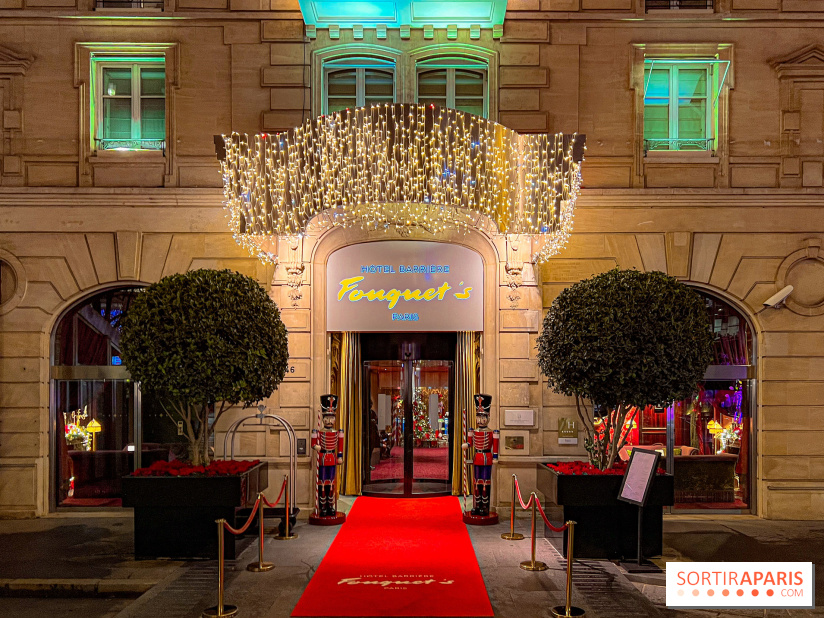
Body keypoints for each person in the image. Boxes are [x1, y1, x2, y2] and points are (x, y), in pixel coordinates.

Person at [463, 394, 499, 517]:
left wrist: (495, 457)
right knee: (476, 482)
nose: (480, 419)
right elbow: (470, 443)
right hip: (477, 458)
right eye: (478, 416)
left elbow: (495, 446)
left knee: (486, 482)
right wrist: (466, 445)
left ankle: (485, 506)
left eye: (483, 416)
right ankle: (477, 505)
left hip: (487, 458)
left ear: (488, 417)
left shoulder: (492, 432)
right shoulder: (473, 431)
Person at [311, 394, 344, 517]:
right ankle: (322, 506)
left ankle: (331, 505)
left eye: (332, 418)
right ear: (323, 418)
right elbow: (313, 443)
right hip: (323, 459)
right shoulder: (318, 432)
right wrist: (316, 446)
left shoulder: (338, 432)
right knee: (322, 483)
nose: (329, 421)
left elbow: (340, 446)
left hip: (333, 459)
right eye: (327, 418)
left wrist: (340, 456)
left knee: (331, 483)